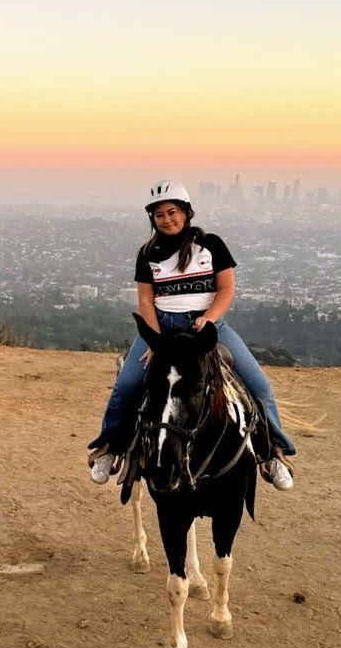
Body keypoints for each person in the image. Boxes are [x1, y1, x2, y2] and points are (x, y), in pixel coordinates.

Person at [87, 180, 296, 490]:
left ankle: (271, 453)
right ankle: (110, 448)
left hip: (208, 328)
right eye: (159, 215)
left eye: (172, 212)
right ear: (152, 219)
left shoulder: (211, 245)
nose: (167, 219)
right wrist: (155, 340)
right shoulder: (148, 253)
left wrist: (208, 319)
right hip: (161, 327)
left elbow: (226, 289)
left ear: (185, 212)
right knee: (127, 385)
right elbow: (145, 299)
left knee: (258, 386)